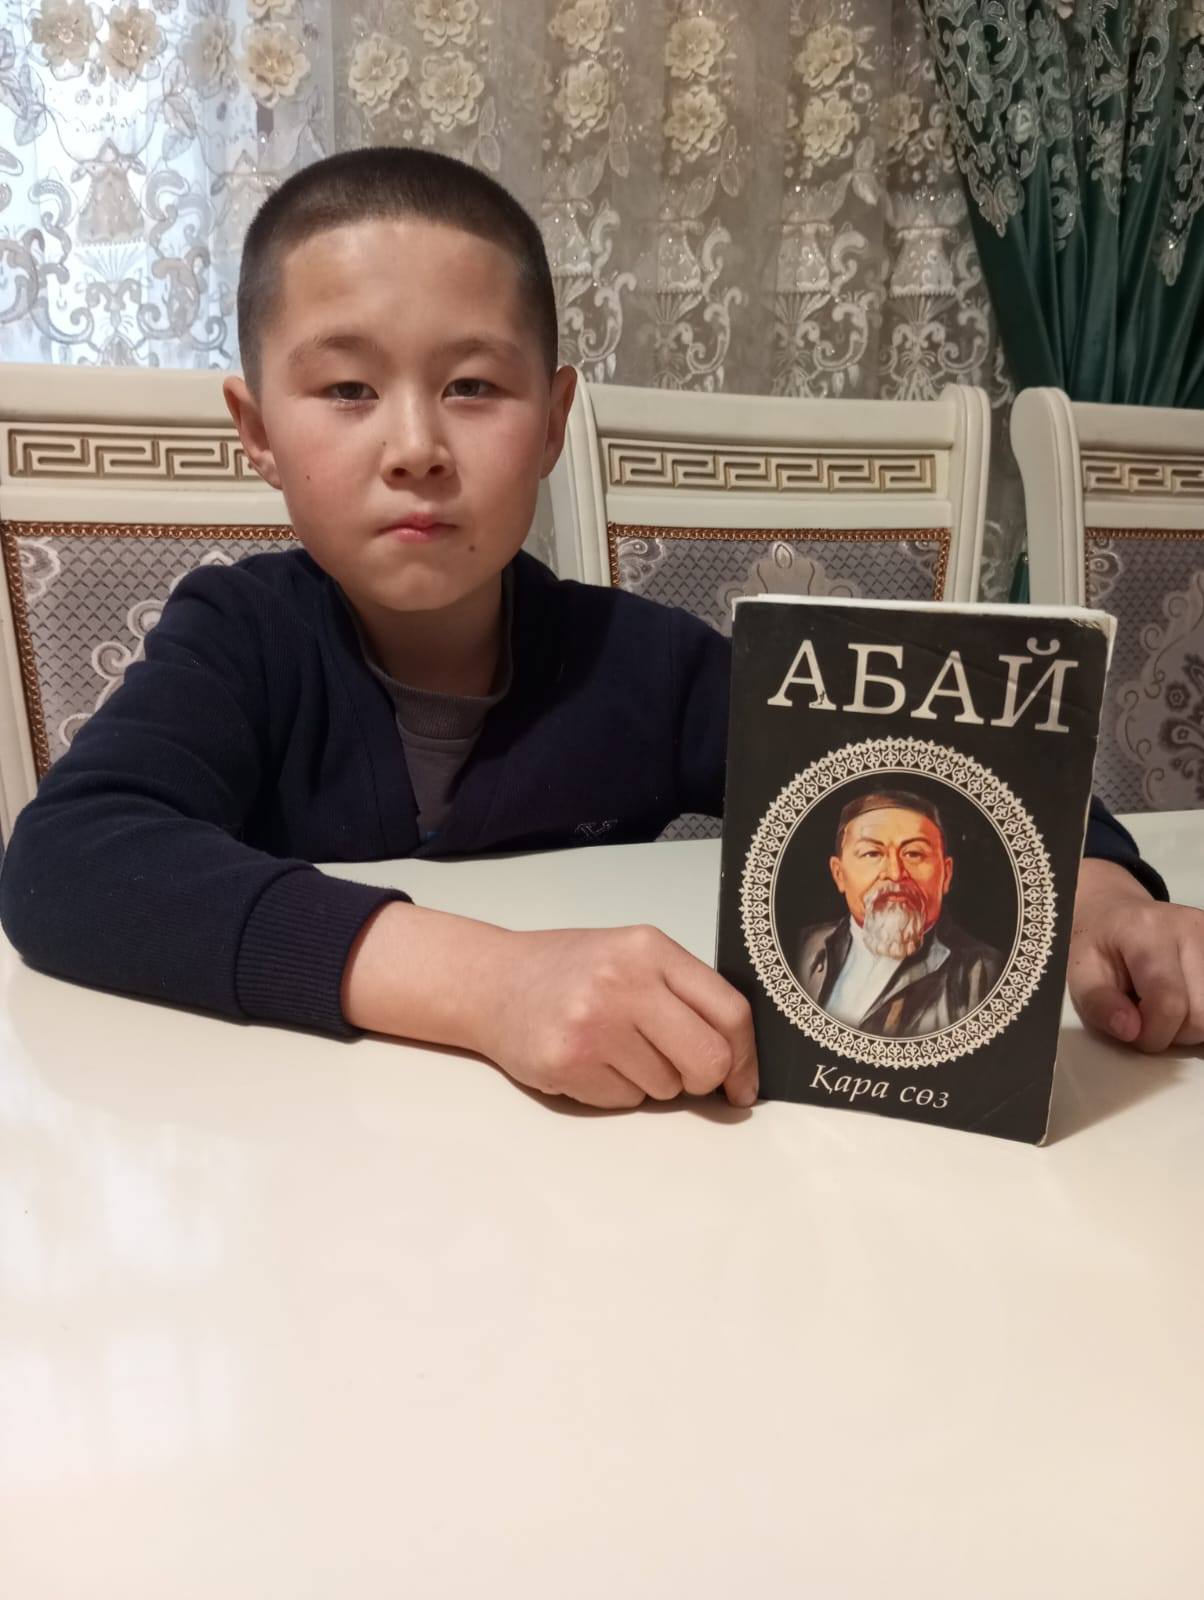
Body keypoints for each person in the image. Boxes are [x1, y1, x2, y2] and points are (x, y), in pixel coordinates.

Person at [1, 149, 1200, 1108]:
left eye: (473, 386)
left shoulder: (638, 663)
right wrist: (490, 983)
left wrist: (1104, 897)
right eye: (347, 389)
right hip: (292, 1159)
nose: (415, 446)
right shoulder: (239, 636)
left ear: (552, 418)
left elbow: (940, 758)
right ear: (257, 429)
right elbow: (69, 863)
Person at [794, 790, 1003, 1036]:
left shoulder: (985, 975)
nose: (895, 873)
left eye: (914, 854)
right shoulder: (802, 948)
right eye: (872, 854)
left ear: (946, 875)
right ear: (839, 874)